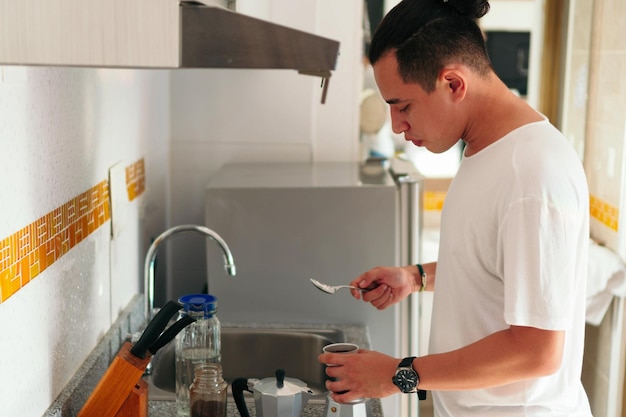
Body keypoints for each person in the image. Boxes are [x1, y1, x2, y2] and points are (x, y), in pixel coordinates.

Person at [318, 0, 593, 415]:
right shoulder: (488, 149)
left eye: (403, 105)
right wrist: (415, 277)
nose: (396, 124)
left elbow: (537, 351)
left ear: (453, 84)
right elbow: (497, 268)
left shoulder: (532, 175)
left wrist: (397, 375)